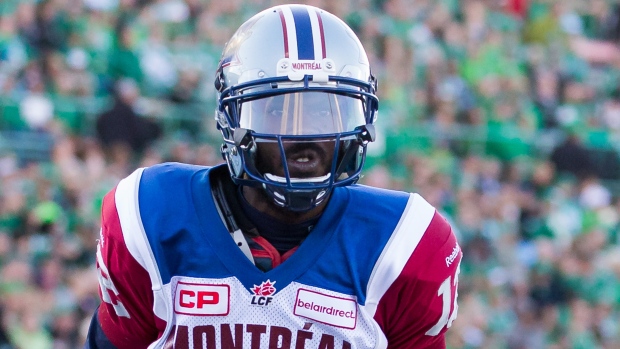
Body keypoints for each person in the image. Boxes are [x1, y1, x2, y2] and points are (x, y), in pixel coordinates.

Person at [84, 4, 462, 348]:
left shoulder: (405, 245)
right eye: (277, 111)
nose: (303, 139)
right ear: (232, 122)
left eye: (322, 112)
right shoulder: (151, 215)